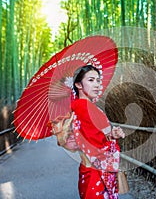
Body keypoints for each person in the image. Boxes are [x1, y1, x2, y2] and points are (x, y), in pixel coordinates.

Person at [54, 64, 125, 199]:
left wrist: (111, 134)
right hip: (96, 172)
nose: (97, 84)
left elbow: (93, 136)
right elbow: (97, 143)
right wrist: (112, 142)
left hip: (90, 169)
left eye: (98, 80)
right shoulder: (84, 107)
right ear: (78, 85)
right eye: (91, 80)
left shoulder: (81, 106)